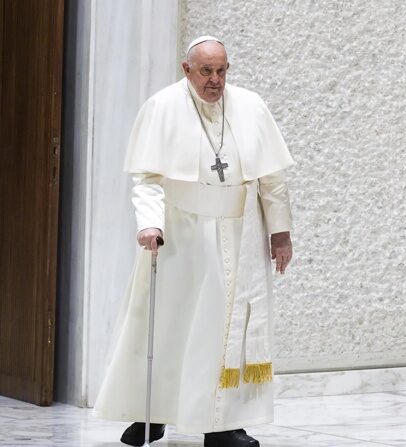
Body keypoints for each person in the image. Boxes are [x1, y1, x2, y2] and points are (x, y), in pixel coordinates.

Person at [93, 36, 294, 447]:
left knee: (224, 332)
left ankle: (223, 426)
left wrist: (280, 232)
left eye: (222, 70)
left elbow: (272, 179)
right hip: (182, 236)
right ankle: (151, 415)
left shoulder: (251, 107)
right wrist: (150, 224)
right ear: (187, 70)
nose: (215, 80)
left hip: (239, 236)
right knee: (167, 327)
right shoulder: (162, 107)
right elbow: (147, 178)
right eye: (206, 71)